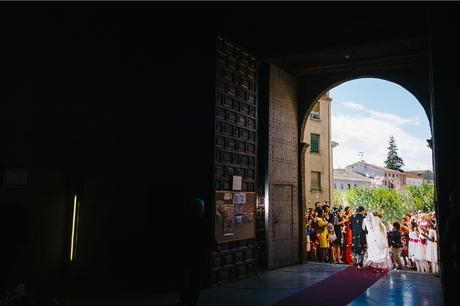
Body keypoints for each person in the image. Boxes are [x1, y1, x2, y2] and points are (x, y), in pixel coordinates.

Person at [180, 198, 218, 306]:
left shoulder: (185, 220)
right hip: (198, 255)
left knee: (184, 276)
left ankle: (184, 297)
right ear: (199, 209)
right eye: (202, 207)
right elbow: (208, 238)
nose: (204, 209)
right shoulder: (202, 222)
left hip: (186, 253)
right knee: (195, 279)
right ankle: (192, 300)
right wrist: (215, 246)